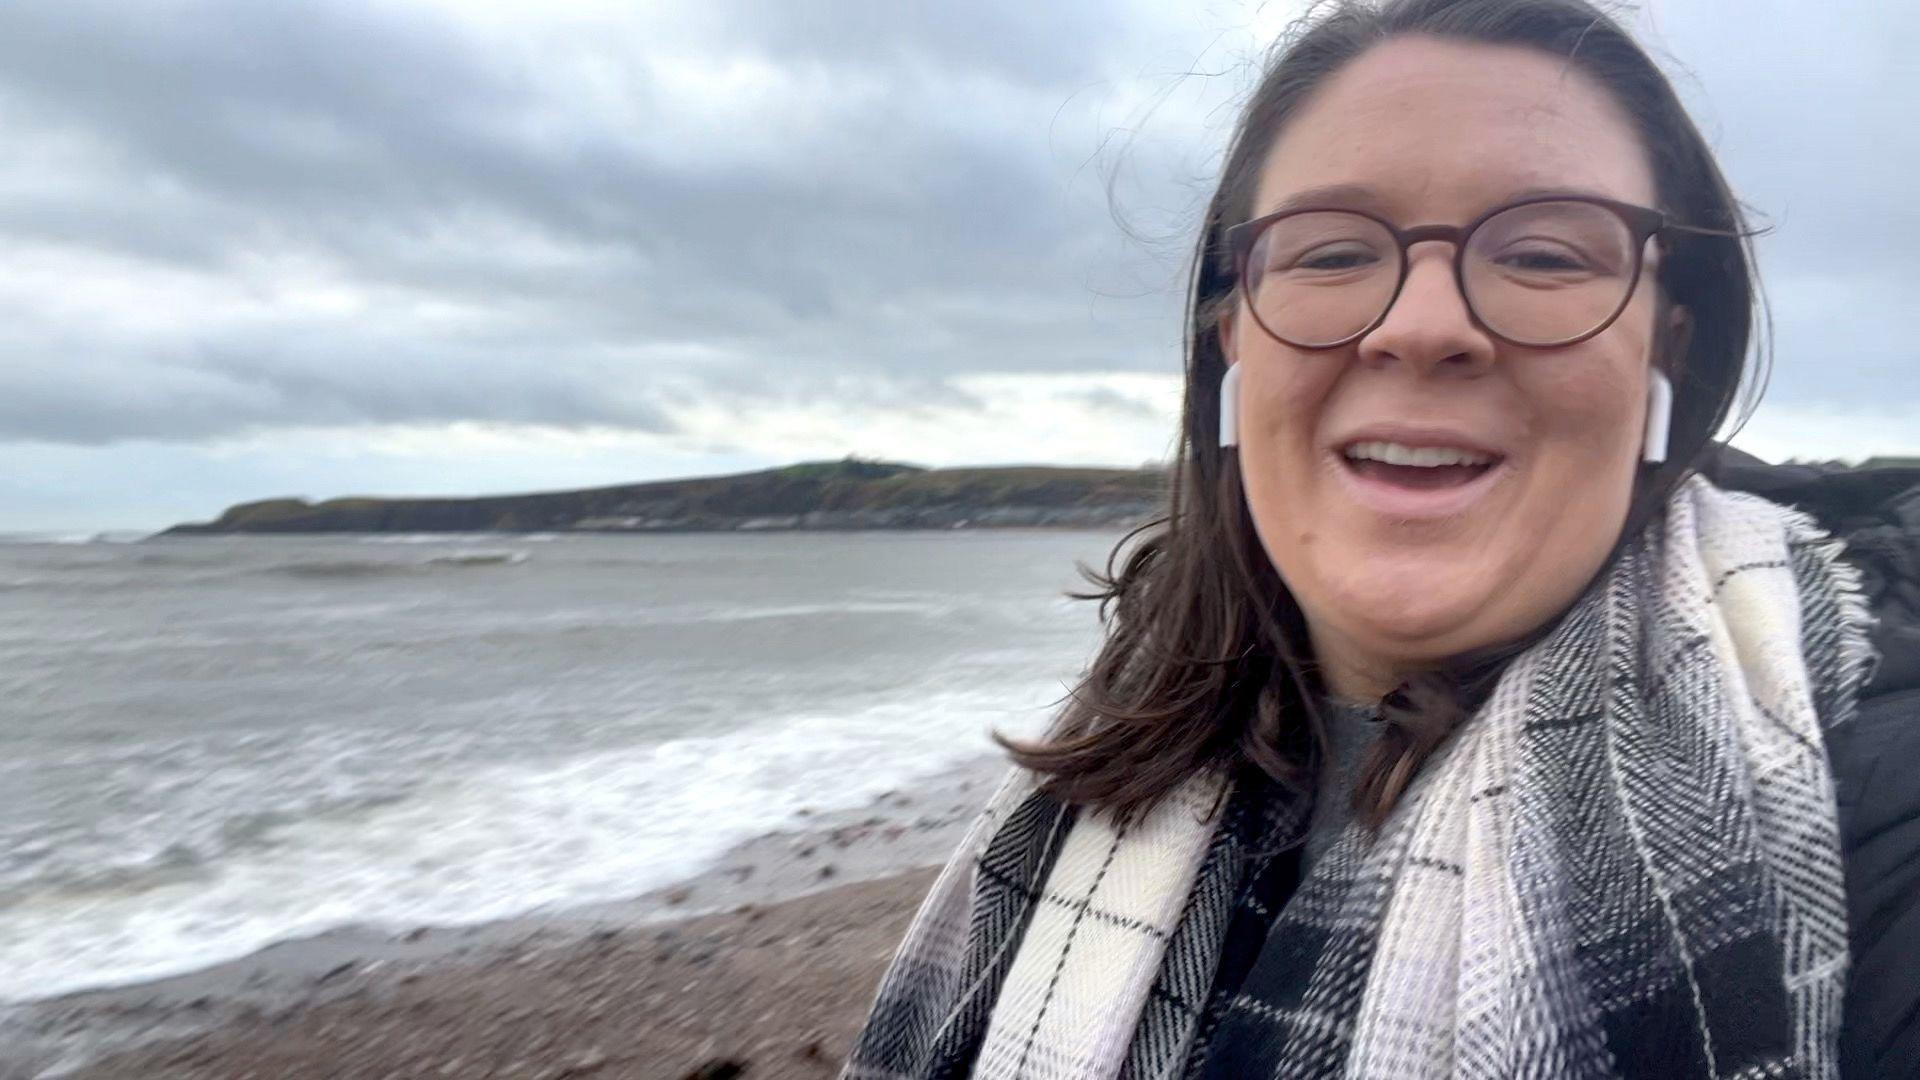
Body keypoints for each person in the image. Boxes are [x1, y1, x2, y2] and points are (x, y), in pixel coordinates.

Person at [841, 0, 1920, 1076]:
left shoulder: (1865, 780)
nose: (1421, 325)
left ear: (1666, 356)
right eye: (1332, 253)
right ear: (1232, 350)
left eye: (1544, 256)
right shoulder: (1116, 759)